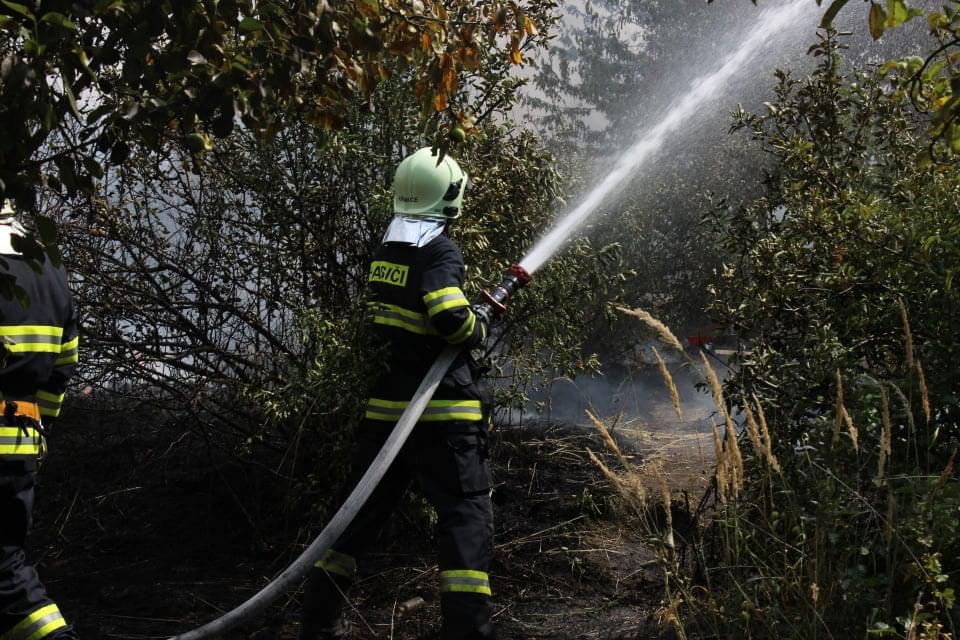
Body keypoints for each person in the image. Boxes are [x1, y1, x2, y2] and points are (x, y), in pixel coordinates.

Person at [300, 147, 495, 640]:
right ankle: (467, 632)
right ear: (449, 196)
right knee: (464, 518)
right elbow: (449, 316)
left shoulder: (388, 251)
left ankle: (318, 624)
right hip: (442, 416)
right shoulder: (440, 250)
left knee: (355, 519)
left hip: (387, 415)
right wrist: (477, 326)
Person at [0, 199, 80, 640]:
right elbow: (64, 362)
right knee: (7, 564)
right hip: (20, 450)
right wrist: (35, 429)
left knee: (6, 578)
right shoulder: (48, 266)